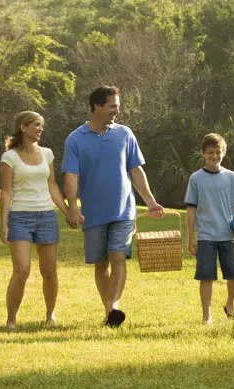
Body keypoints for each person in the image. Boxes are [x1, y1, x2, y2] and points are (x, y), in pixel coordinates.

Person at [62, 85, 164, 327]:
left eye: (118, 106)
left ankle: (115, 305)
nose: (117, 111)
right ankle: (109, 310)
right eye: (113, 106)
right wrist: (73, 207)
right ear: (97, 106)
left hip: (124, 210)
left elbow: (136, 170)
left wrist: (149, 201)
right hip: (93, 213)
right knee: (101, 263)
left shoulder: (125, 134)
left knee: (118, 255)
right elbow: (70, 176)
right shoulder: (75, 139)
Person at [0, 111, 70, 329]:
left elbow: (53, 186)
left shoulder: (47, 154)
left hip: (47, 216)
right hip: (20, 217)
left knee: (49, 271)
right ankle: (11, 320)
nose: (40, 129)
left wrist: (68, 212)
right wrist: (3, 223)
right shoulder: (9, 157)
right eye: (36, 125)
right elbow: (6, 192)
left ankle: (50, 316)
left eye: (42, 126)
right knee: (22, 270)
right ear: (23, 127)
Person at [185, 133, 234, 325]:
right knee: (206, 277)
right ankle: (206, 315)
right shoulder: (196, 179)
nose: (214, 156)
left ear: (224, 153)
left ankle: (230, 305)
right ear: (203, 153)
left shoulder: (232, 177)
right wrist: (190, 238)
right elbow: (191, 210)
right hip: (206, 236)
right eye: (210, 152)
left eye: (218, 152)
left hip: (229, 235)